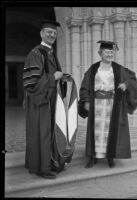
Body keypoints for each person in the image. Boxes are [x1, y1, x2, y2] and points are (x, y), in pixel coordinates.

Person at [78, 40, 137, 168]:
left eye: (111, 52)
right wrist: (86, 101)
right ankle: (93, 157)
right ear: (100, 53)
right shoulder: (94, 68)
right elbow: (84, 86)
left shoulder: (118, 69)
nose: (109, 54)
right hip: (96, 104)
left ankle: (110, 157)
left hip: (112, 105)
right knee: (96, 131)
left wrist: (126, 84)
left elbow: (132, 78)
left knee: (110, 131)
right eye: (106, 52)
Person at [23, 19, 65, 179]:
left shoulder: (50, 53)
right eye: (49, 32)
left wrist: (62, 78)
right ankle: (42, 168)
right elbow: (31, 82)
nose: (52, 35)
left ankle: (51, 161)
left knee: (50, 132)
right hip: (40, 101)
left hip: (51, 99)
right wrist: (53, 77)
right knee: (42, 132)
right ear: (41, 33)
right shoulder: (36, 53)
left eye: (54, 33)